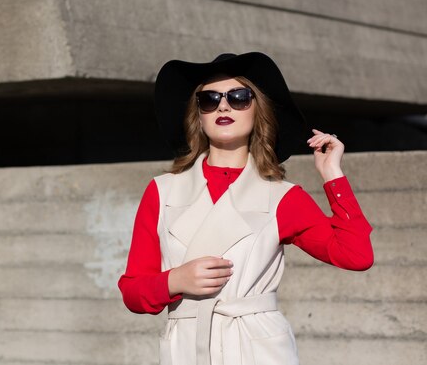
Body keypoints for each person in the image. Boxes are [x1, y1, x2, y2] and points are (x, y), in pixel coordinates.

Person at [117, 52, 374, 365]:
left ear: (258, 111)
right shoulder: (161, 191)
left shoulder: (282, 197)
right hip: (186, 348)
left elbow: (357, 255)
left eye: (239, 97)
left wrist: (332, 173)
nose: (223, 106)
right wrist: (174, 281)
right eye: (209, 99)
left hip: (258, 348)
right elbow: (133, 292)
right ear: (197, 114)